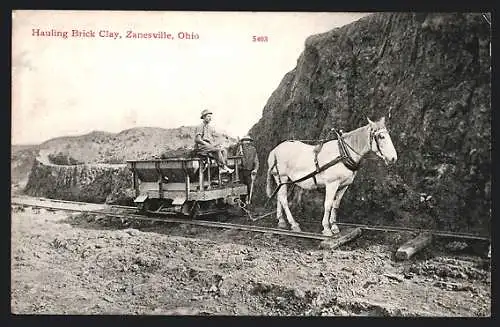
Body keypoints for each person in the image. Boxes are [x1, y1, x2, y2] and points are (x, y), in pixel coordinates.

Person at [194, 109, 234, 174]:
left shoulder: (210, 128)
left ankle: (222, 167)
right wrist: (206, 144)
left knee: (224, 151)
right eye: (208, 116)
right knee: (217, 150)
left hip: (209, 147)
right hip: (201, 147)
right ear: (204, 117)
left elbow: (215, 135)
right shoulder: (200, 126)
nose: (210, 118)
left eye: (210, 116)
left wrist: (223, 136)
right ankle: (222, 166)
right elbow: (197, 139)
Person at [238, 135, 259, 202]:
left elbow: (256, 161)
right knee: (242, 187)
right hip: (240, 171)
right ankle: (243, 202)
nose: (246, 142)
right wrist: (239, 154)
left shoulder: (253, 149)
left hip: (248, 171)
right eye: (245, 140)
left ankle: (249, 201)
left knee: (249, 186)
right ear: (243, 142)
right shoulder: (239, 149)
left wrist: (255, 169)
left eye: (247, 140)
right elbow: (236, 160)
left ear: (249, 141)